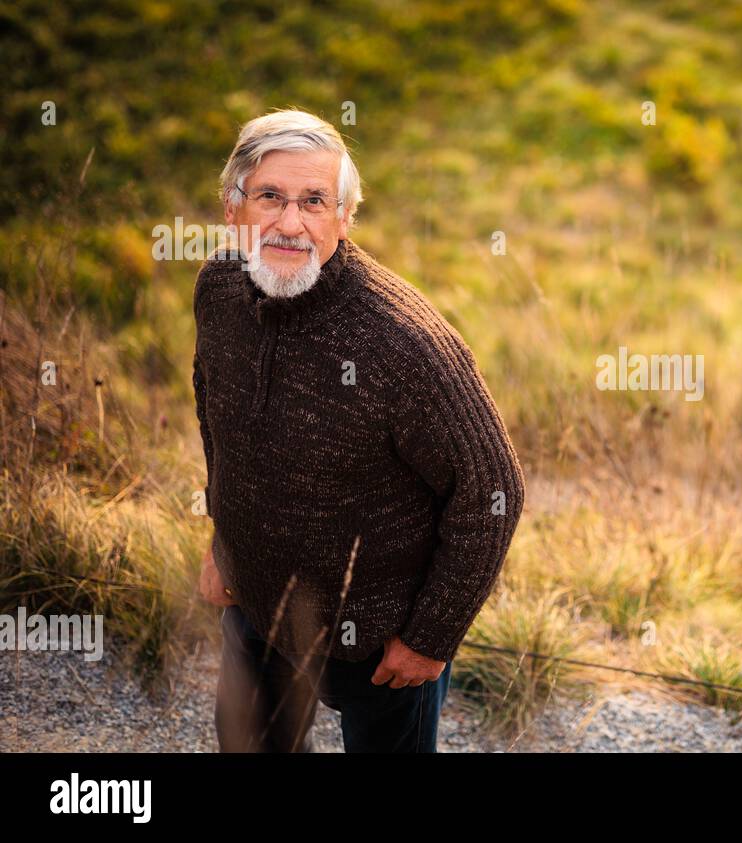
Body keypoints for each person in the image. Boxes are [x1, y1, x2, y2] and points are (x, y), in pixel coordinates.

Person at [193, 109, 525, 752]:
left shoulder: (404, 344)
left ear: (345, 217)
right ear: (233, 207)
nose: (291, 223)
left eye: (314, 201)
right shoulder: (217, 291)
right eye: (270, 197)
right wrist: (221, 540)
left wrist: (430, 637)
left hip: (377, 644)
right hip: (254, 609)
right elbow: (217, 421)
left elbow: (493, 491)